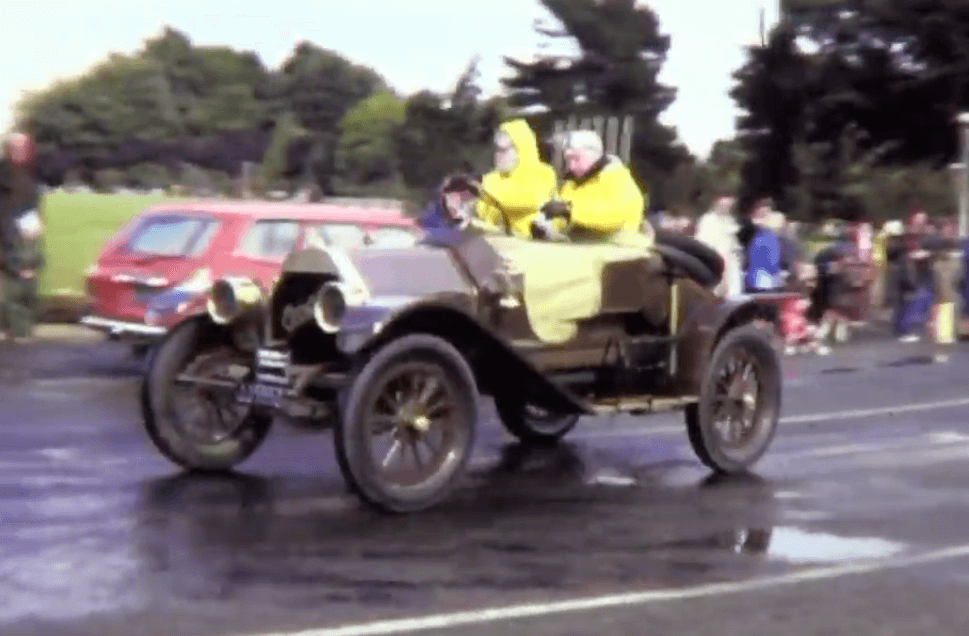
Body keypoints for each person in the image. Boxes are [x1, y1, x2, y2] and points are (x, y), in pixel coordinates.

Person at [530, 130, 647, 244]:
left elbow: (615, 216)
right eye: (568, 160)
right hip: (583, 253)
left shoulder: (618, 178)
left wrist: (569, 211)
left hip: (619, 254)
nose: (571, 166)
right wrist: (546, 228)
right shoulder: (572, 185)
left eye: (575, 158)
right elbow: (562, 225)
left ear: (593, 154)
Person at [459, 119, 557, 238]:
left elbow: (529, 200)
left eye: (503, 150)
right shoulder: (491, 179)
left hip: (542, 245)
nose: (497, 155)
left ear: (520, 150)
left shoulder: (544, 173)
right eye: (496, 149)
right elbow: (487, 214)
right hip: (506, 245)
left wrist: (486, 194)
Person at [0, 131, 45, 344]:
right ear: (8, 150)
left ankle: (22, 327)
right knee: (10, 281)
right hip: (6, 231)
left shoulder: (28, 173)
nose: (23, 151)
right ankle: (11, 327)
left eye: (25, 147)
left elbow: (31, 203)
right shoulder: (3, 173)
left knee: (26, 278)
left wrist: (35, 222)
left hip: (26, 230)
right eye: (17, 147)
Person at [695, 194, 742, 298]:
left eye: (730, 198)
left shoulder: (729, 220)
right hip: (718, 273)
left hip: (732, 272)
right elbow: (708, 251)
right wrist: (722, 278)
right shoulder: (708, 222)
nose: (727, 202)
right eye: (722, 198)